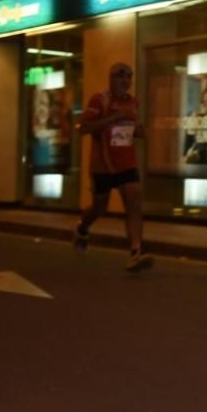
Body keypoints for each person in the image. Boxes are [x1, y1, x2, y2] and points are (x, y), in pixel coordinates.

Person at [72, 62, 153, 273]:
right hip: (103, 167)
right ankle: (82, 228)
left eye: (129, 77)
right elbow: (83, 128)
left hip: (126, 163)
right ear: (111, 79)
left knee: (134, 203)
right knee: (100, 208)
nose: (125, 81)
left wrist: (139, 130)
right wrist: (114, 117)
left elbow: (129, 130)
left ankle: (136, 252)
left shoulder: (133, 103)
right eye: (120, 76)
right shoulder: (100, 100)